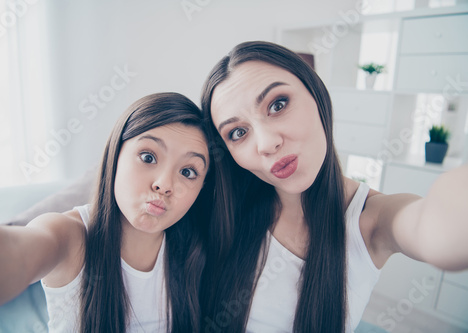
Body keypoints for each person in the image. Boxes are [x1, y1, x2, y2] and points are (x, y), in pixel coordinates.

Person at [198, 41, 468, 333]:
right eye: (238, 132)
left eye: (278, 105)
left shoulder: (371, 219)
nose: (266, 143)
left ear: (317, 95)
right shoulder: (225, 211)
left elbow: (439, 229)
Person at [0, 92, 213, 333]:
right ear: (114, 156)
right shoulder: (69, 235)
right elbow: (11, 249)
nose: (164, 184)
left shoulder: (196, 251)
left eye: (188, 172)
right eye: (148, 157)